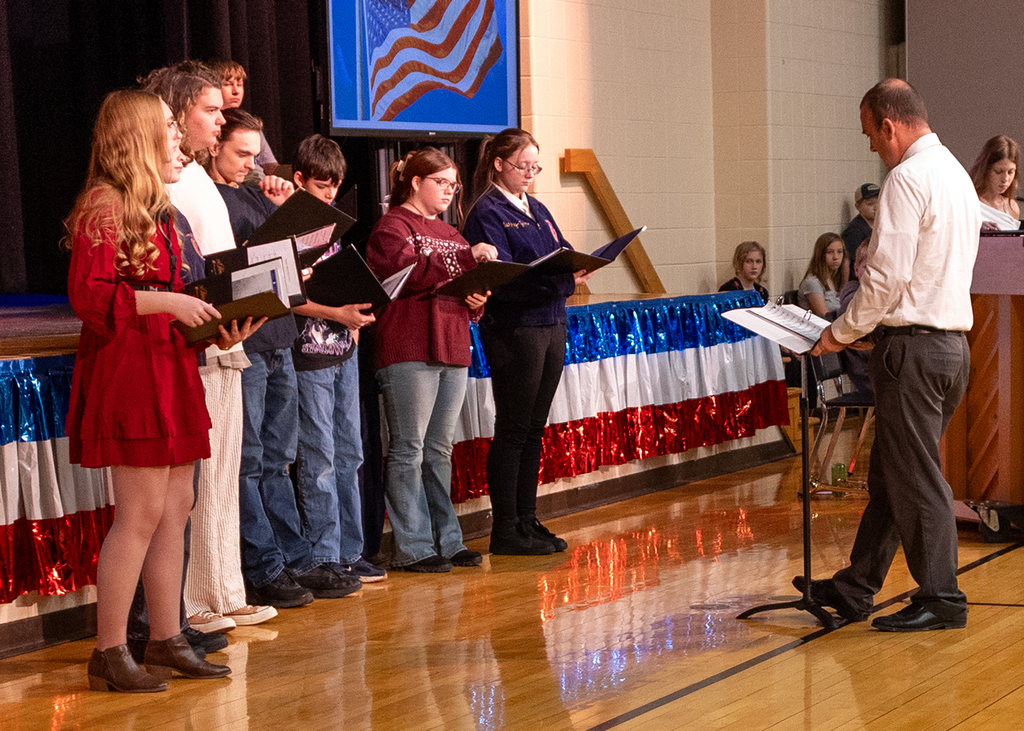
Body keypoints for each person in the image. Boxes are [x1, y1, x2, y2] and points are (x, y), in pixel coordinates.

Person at [797, 78, 981, 632]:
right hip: (950, 348)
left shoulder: (907, 176)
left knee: (916, 478)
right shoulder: (956, 174)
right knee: (893, 475)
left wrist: (840, 333)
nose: (873, 147)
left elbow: (886, 277)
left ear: (889, 124)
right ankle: (856, 587)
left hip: (914, 351)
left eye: (871, 136)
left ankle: (942, 598)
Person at [67, 90, 235, 692]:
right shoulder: (105, 203)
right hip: (130, 367)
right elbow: (90, 296)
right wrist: (170, 304)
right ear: (139, 136)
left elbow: (178, 296)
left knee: (176, 507)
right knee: (138, 513)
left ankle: (167, 636)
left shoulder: (160, 208)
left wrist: (219, 326)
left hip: (168, 360)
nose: (178, 135)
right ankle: (109, 650)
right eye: (168, 124)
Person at [141, 61, 280, 636]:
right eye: (210, 110)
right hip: (189, 342)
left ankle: (222, 590)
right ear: (176, 113)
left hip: (219, 337)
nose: (221, 120)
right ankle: (192, 603)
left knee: (222, 475)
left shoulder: (195, 175)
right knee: (197, 485)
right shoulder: (169, 179)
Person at [206, 108, 363, 601]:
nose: (252, 165)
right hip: (247, 341)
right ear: (215, 147)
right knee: (250, 460)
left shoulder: (259, 194)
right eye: (241, 154)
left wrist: (294, 244)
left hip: (280, 337)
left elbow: (288, 257)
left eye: (256, 156)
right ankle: (264, 567)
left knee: (278, 460)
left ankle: (297, 559)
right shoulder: (210, 199)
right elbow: (226, 271)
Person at [461, 128, 593, 555]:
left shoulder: (535, 207)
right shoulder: (487, 210)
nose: (531, 174)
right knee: (514, 428)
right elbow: (505, 277)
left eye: (536, 167)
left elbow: (561, 251)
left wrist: (575, 269)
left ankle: (526, 518)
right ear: (499, 164)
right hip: (515, 327)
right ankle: (505, 528)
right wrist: (562, 282)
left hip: (551, 322)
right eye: (523, 166)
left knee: (534, 427)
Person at [366, 147, 494, 572]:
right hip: (409, 346)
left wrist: (477, 299)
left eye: (453, 184)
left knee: (439, 449)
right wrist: (466, 259)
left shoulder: (452, 233)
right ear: (416, 182)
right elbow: (407, 274)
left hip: (452, 345)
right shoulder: (392, 227)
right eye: (441, 182)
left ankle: (448, 540)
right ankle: (413, 547)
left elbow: (466, 286)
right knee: (409, 448)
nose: (448, 190)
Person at [289, 134, 385, 583]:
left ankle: (351, 550)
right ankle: (324, 553)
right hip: (308, 354)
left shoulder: (331, 226)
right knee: (319, 456)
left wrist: (356, 318)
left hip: (343, 349)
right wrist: (337, 313)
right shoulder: (288, 227)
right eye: (321, 185)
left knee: (350, 452)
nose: (329, 195)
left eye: (335, 186)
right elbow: (287, 295)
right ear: (299, 180)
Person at [207, 59, 278, 180]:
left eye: (239, 85)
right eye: (227, 84)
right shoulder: (208, 125)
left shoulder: (250, 125)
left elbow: (271, 167)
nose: (236, 91)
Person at [836, 243, 872, 395]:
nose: (872, 275)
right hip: (867, 372)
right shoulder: (852, 299)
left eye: (877, 269)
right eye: (867, 268)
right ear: (856, 269)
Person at [970, 135, 1021, 231]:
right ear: (985, 170)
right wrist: (977, 227)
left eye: (1010, 172)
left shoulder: (1012, 207)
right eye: (998, 172)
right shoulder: (970, 203)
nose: (1005, 179)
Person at [797, 232, 847, 317]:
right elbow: (825, 316)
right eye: (830, 252)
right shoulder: (813, 282)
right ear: (820, 255)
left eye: (839, 252)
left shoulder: (836, 279)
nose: (836, 257)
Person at [841, 183, 879, 278]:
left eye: (878, 202)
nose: (876, 207)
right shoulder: (854, 231)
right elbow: (846, 261)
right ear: (858, 206)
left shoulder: (880, 226)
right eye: (870, 204)